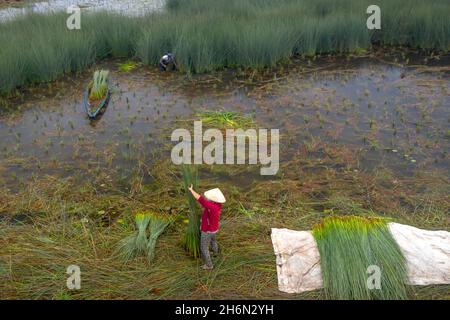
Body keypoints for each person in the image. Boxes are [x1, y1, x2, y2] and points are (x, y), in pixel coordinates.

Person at [188, 185, 226, 270]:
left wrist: (191, 190)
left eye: (209, 197)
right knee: (213, 241)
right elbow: (205, 203)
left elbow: (201, 200)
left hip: (208, 230)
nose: (207, 198)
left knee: (204, 247)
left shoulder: (211, 207)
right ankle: (216, 253)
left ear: (212, 199)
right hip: (214, 228)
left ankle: (209, 265)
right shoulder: (217, 205)